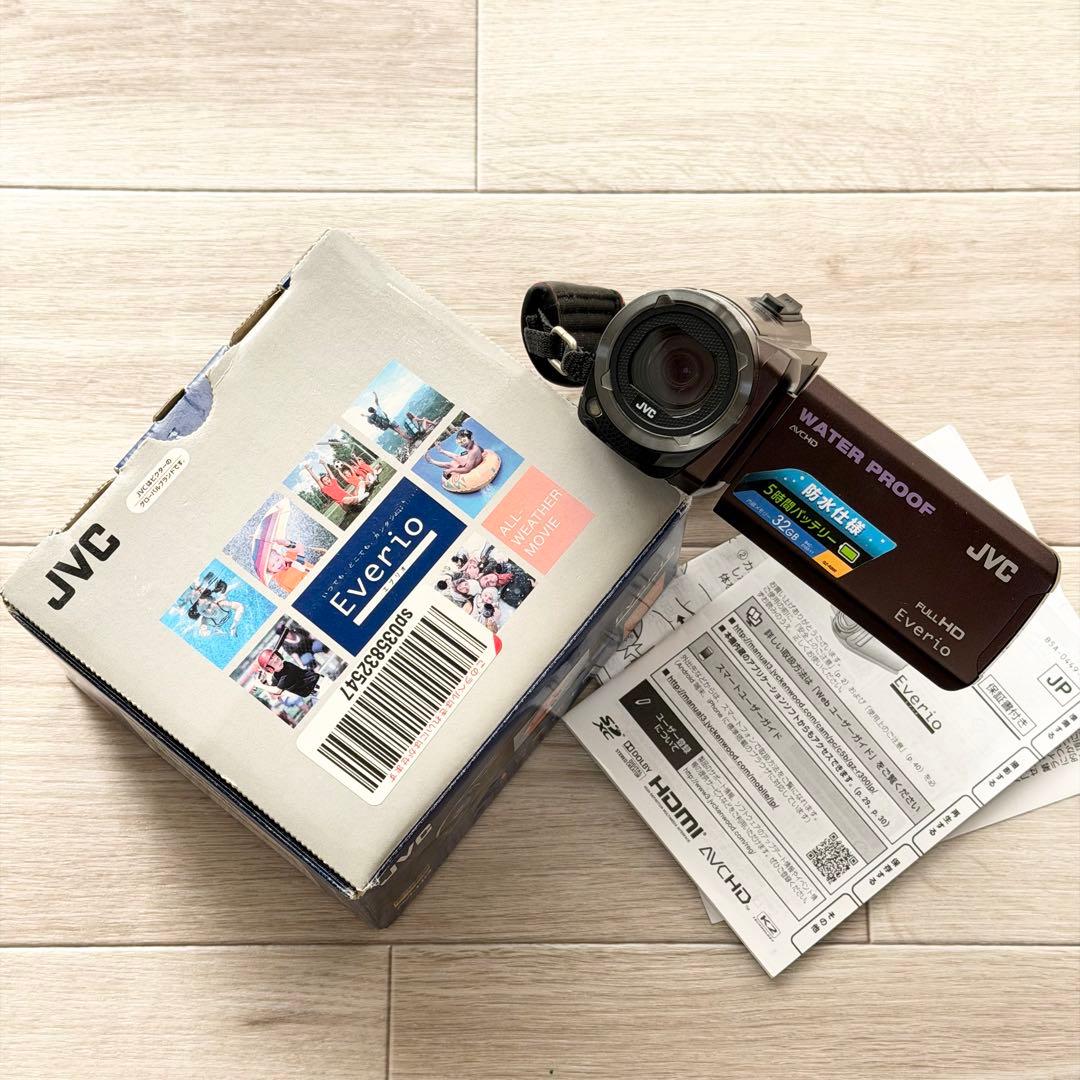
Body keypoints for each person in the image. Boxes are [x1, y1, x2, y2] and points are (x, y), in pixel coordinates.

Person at [255, 648, 322, 699]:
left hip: (320, 684)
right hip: (313, 694)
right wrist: (264, 683)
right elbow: (274, 696)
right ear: (270, 669)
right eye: (275, 662)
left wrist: (260, 685)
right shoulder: (276, 677)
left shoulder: (287, 667)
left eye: (278, 659)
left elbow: (277, 691)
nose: (279, 662)